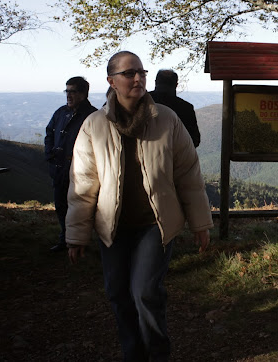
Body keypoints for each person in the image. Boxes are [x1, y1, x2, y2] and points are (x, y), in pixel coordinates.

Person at [66, 51, 213, 361]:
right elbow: (83, 184)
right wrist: (76, 235)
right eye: (129, 73)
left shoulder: (167, 119)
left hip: (154, 224)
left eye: (141, 72)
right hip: (113, 227)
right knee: (118, 294)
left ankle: (157, 354)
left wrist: (200, 223)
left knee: (145, 292)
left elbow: (189, 174)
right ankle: (133, 354)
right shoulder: (94, 125)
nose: (138, 78)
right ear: (111, 81)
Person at [44, 76, 96, 252]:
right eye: (67, 91)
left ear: (83, 93)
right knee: (61, 206)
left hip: (81, 172)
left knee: (82, 208)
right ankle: (65, 240)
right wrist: (50, 155)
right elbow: (49, 133)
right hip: (59, 170)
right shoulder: (60, 113)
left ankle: (81, 241)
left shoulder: (92, 116)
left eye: (73, 91)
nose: (68, 95)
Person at [149, 69, 201, 147]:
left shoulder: (141, 102)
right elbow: (194, 140)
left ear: (156, 82)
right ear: (176, 84)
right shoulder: (186, 108)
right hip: (175, 153)